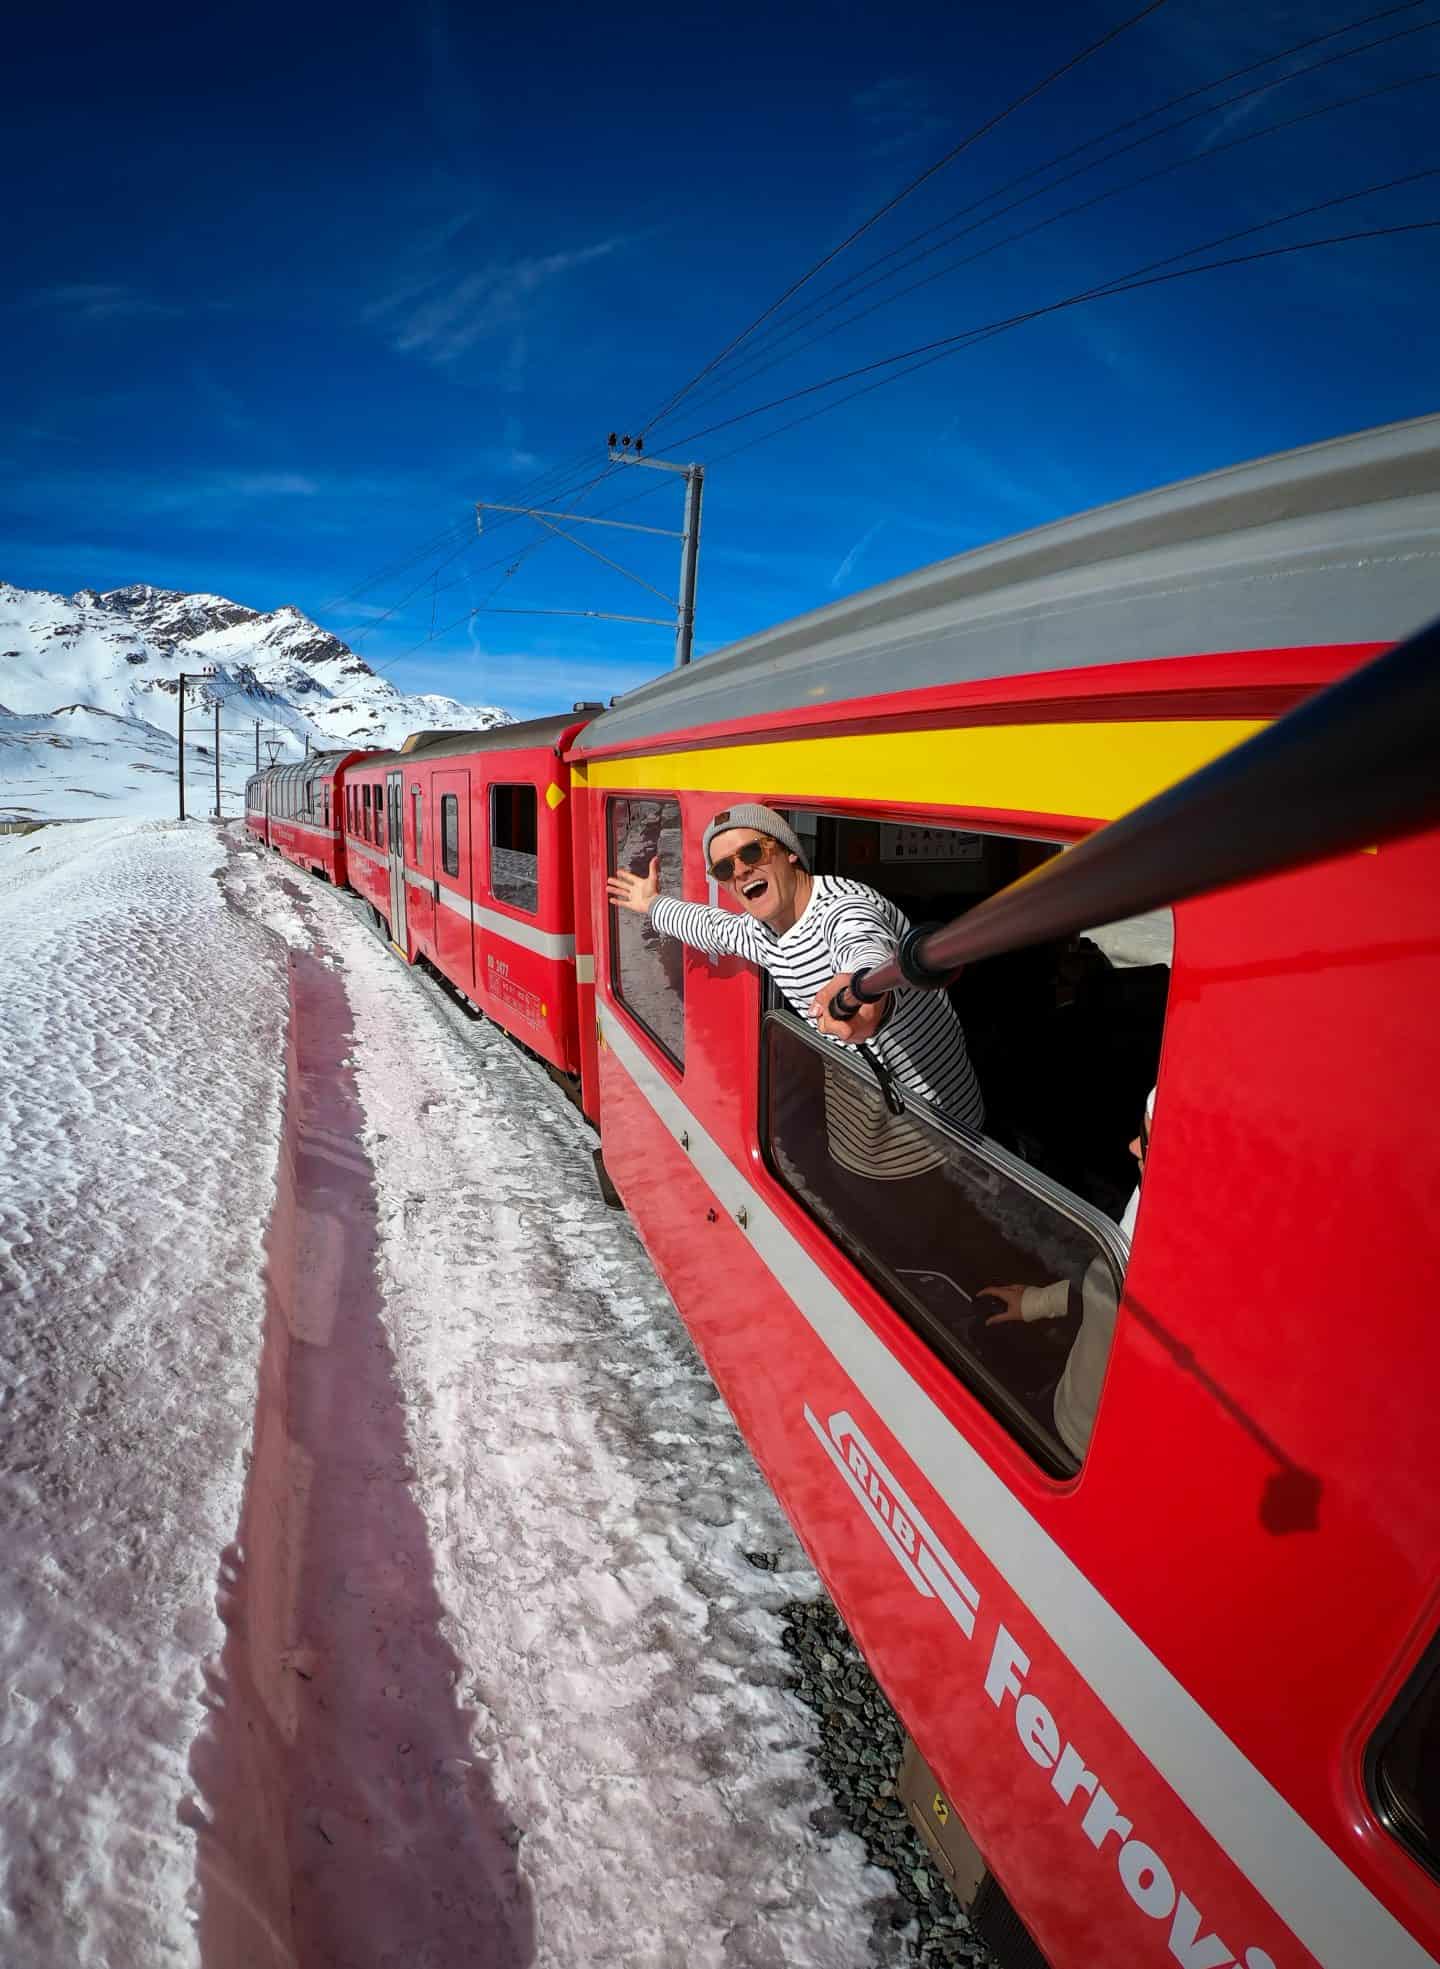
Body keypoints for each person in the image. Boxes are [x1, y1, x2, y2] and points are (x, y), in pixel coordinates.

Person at [606, 803, 984, 1172]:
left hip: (934, 1128)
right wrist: (653, 904)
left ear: (788, 852)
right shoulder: (763, 930)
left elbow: (865, 947)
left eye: (752, 852)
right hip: (861, 1109)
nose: (741, 870)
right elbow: (714, 928)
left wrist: (861, 989)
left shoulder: (842, 908)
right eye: (724, 868)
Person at [979, 1087, 1154, 1460]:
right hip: (1066, 1407)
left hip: (1082, 1449)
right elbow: (1106, 1291)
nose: (1132, 1147)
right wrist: (1037, 1303)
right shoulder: (1148, 1199)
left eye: (1148, 1142)